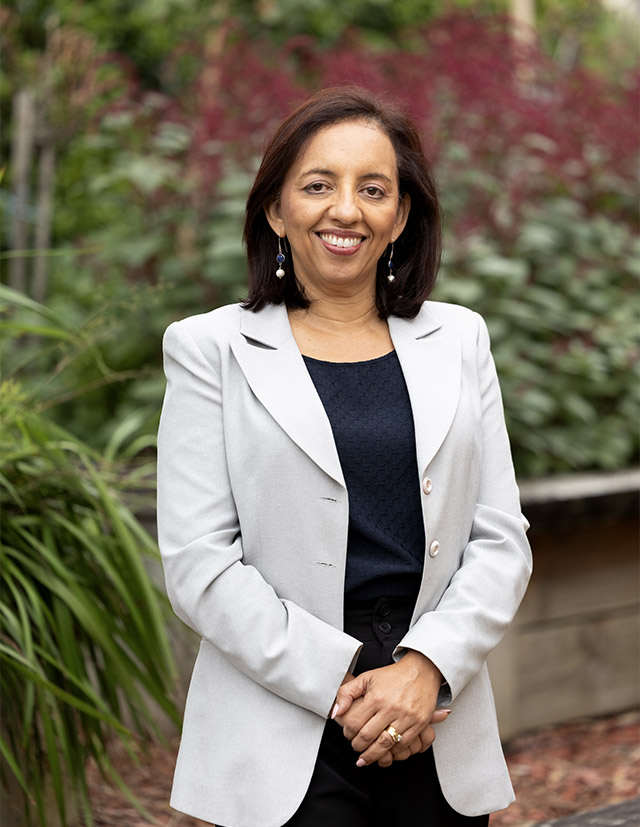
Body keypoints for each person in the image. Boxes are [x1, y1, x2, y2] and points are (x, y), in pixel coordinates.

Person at [157, 85, 532, 827]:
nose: (346, 210)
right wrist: (354, 680)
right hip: (280, 704)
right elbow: (199, 561)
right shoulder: (210, 349)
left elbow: (501, 537)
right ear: (275, 209)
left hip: (435, 700)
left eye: (373, 189)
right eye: (318, 185)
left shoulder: (460, 339)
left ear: (399, 216)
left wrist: (423, 669)